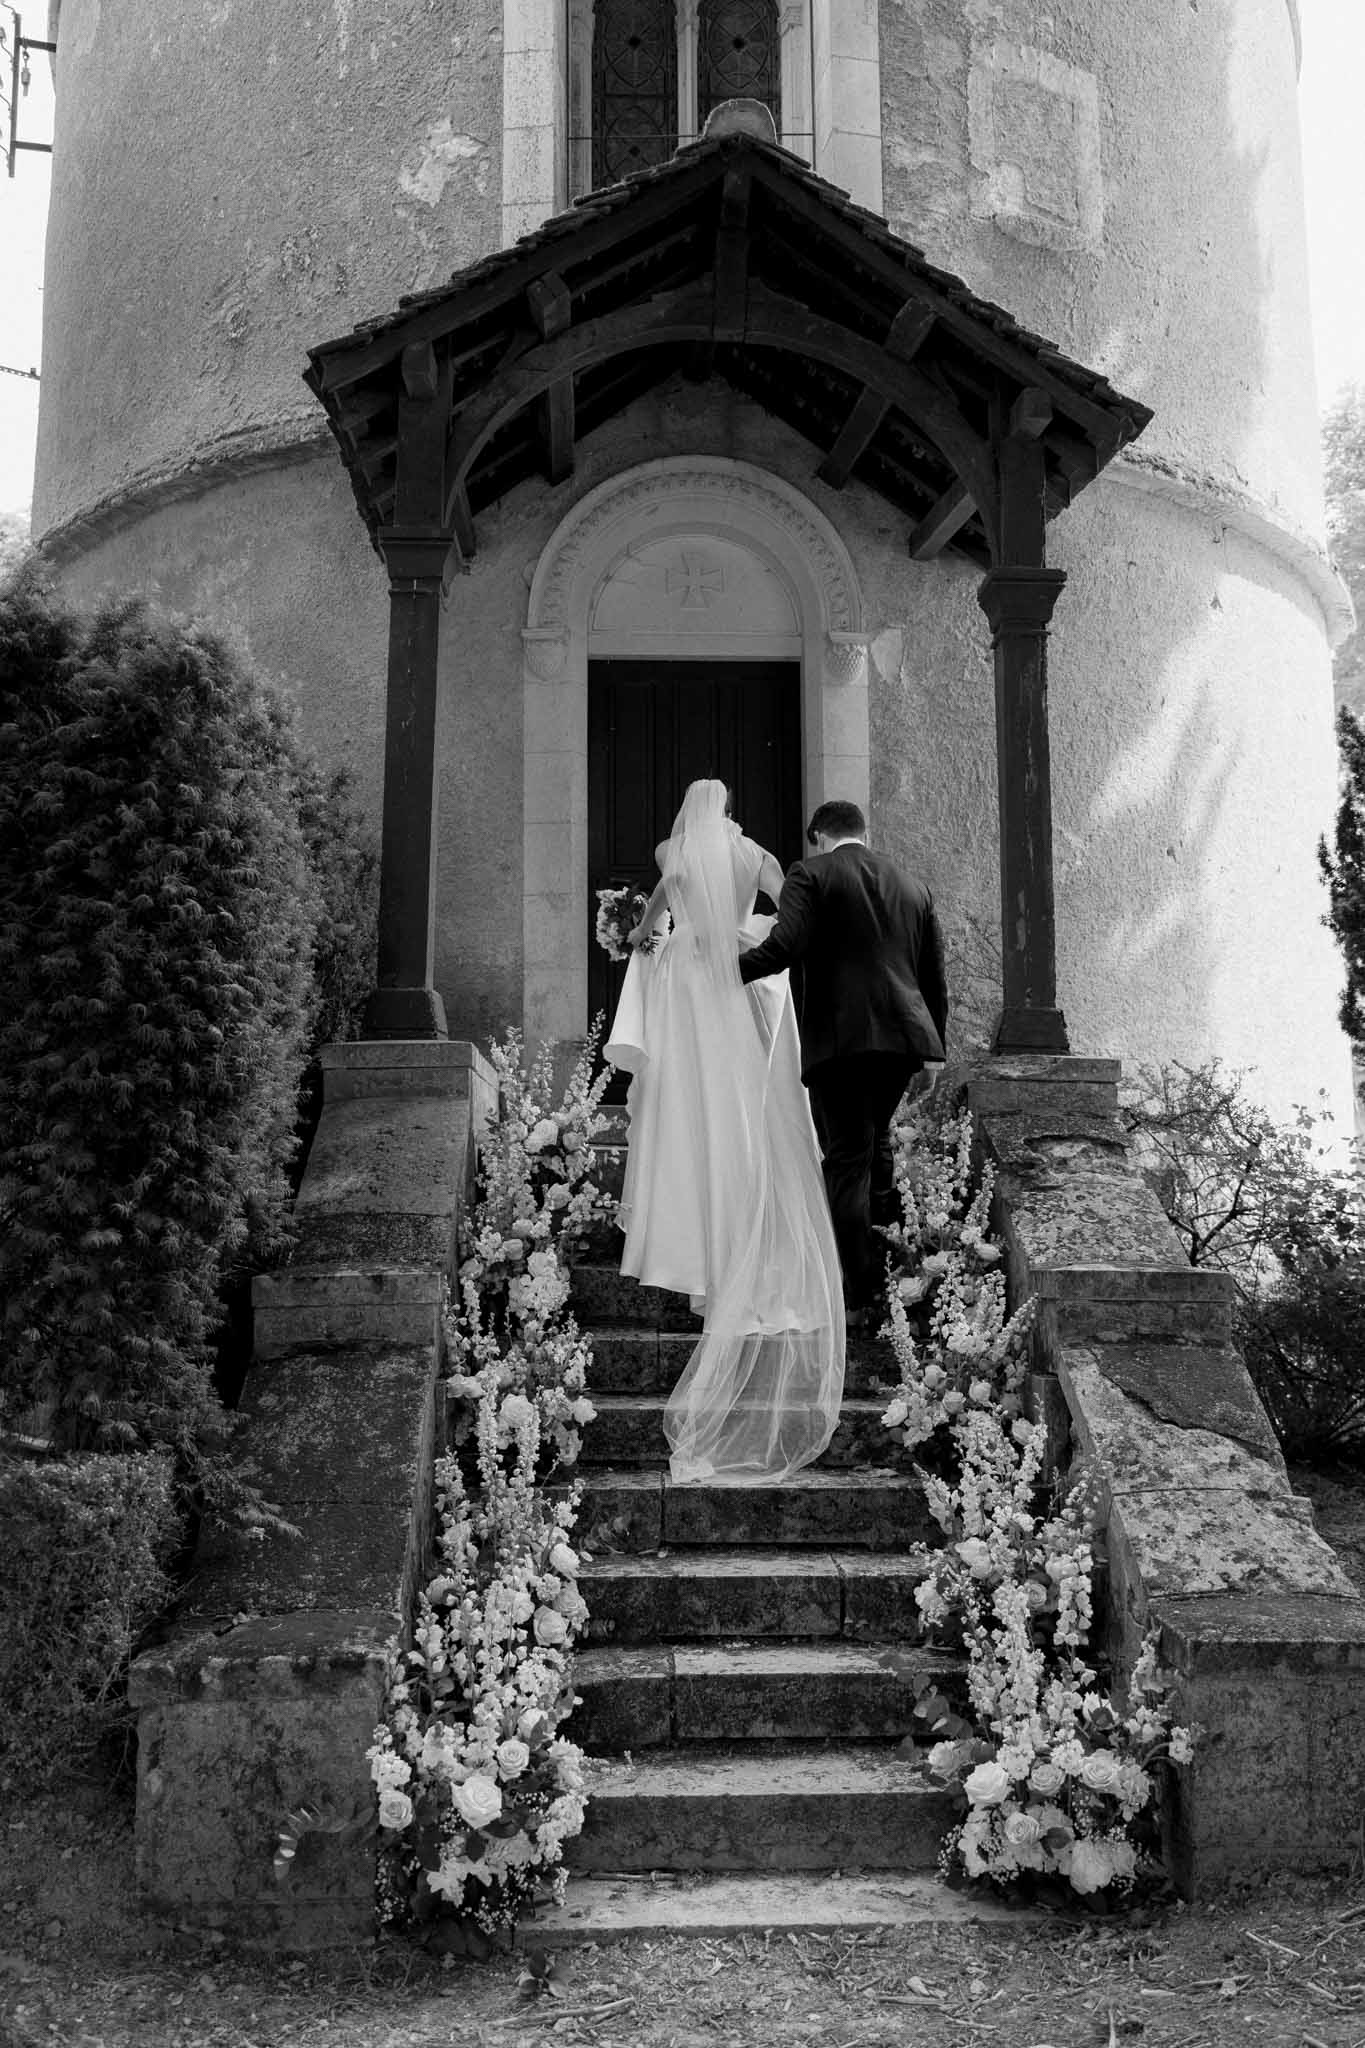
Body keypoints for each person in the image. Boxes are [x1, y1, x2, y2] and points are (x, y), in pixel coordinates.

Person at [604, 779, 845, 1486]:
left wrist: (642, 936)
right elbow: (790, 905)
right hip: (735, 978)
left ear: (687, 810)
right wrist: (757, 935)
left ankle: (692, 1229)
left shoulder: (670, 849)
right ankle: (743, 1222)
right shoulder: (757, 854)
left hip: (686, 980)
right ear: (733, 810)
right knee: (739, 1099)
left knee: (688, 1097)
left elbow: (651, 919)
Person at [738, 798, 948, 1314]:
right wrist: (935, 1053)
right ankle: (885, 1271)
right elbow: (933, 977)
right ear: (861, 831)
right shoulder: (912, 885)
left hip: (842, 1040)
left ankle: (857, 1292)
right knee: (874, 1149)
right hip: (904, 1040)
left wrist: (725, 971)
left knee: (848, 1157)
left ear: (819, 836)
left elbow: (784, 946)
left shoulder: (810, 874)